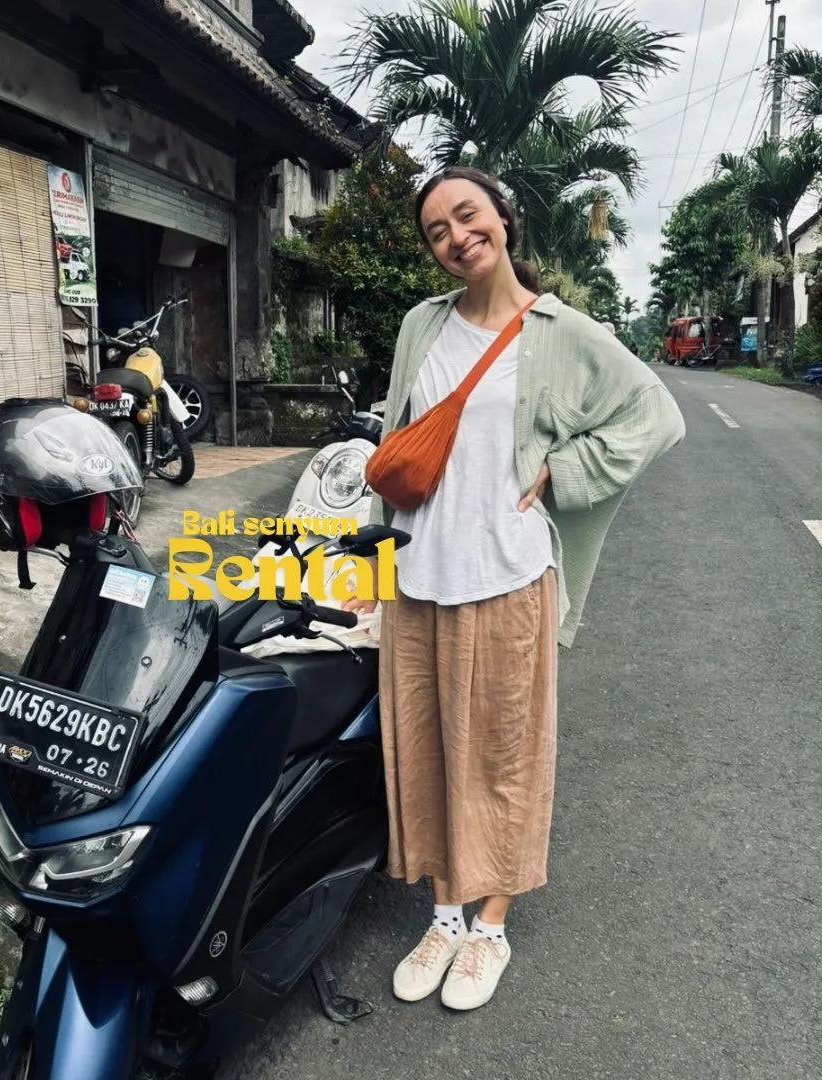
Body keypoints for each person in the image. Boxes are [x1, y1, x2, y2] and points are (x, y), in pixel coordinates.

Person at [343, 167, 684, 1012]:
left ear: (503, 218)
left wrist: (567, 470)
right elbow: (397, 448)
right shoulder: (421, 326)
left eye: (469, 215)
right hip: (419, 577)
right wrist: (370, 569)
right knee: (420, 750)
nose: (458, 237)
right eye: (437, 231)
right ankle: (445, 912)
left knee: (501, 756)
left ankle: (490, 925)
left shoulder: (562, 330)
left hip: (507, 578)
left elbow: (655, 415)